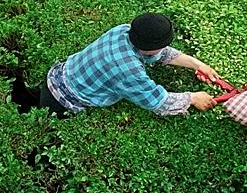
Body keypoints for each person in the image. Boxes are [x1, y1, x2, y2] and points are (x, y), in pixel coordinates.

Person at [38, 13, 221, 118]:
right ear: (151, 48)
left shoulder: (123, 30)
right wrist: (192, 98)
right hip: (63, 101)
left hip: (57, 75)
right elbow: (159, 102)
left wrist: (198, 65)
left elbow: (161, 53)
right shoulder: (128, 71)